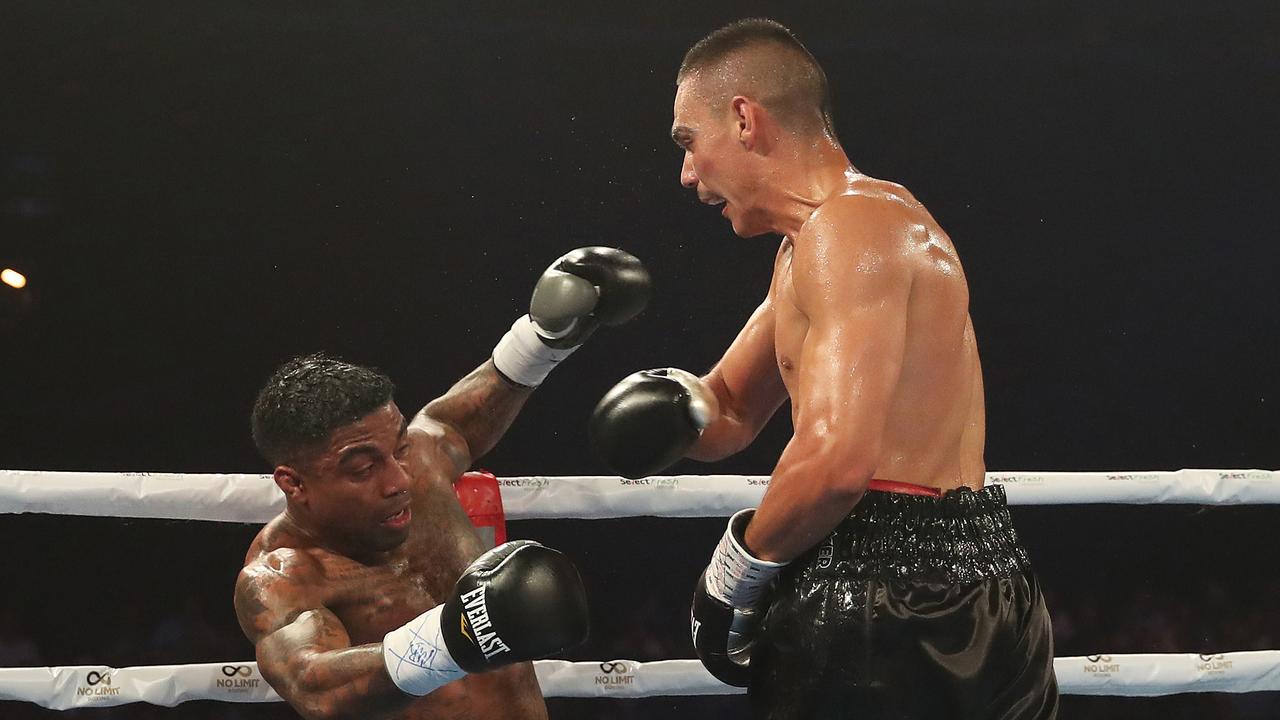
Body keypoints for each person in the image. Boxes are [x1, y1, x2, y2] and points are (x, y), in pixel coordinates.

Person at [589, 19, 1058, 720]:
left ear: (745, 120)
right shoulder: (813, 243)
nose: (687, 174)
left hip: (880, 591)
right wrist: (664, 408)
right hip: (980, 577)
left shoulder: (850, 229)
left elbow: (839, 461)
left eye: (690, 143)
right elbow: (730, 408)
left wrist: (734, 573)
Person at [235, 247, 650, 720]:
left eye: (399, 447)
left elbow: (461, 417)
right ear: (294, 484)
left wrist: (546, 336)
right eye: (362, 468)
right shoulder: (284, 575)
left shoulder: (423, 464)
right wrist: (463, 634)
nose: (399, 480)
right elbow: (315, 687)